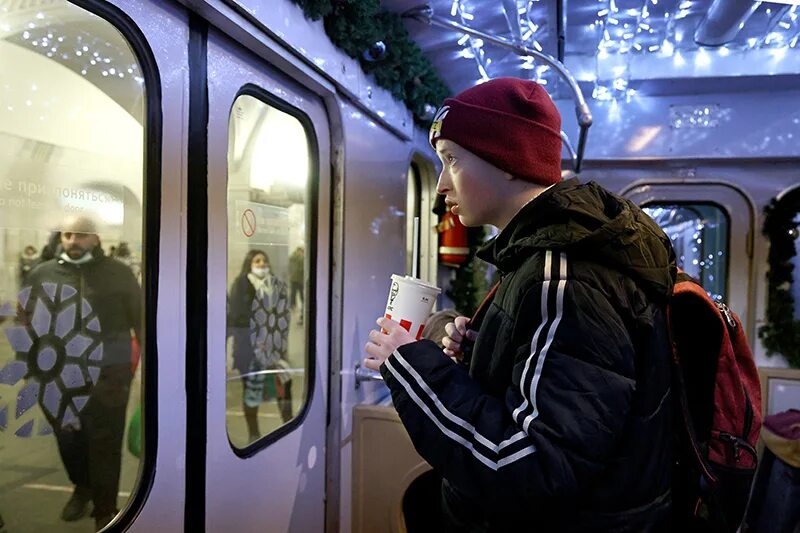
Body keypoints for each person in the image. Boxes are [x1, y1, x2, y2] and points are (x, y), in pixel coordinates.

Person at [364, 78, 677, 532]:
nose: (440, 186)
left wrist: (408, 365)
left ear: (507, 159)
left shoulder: (564, 276)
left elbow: (532, 464)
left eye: (452, 159)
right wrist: (481, 352)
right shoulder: (543, 257)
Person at [20, 215, 141, 531]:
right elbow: (27, 323)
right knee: (68, 440)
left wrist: (147, 370)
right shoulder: (41, 275)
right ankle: (82, 487)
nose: (74, 241)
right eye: (69, 235)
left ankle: (106, 508)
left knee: (105, 441)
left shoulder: (119, 274)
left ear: (97, 239)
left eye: (82, 235)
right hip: (57, 378)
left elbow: (141, 321)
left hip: (108, 376)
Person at [227, 250, 292, 441]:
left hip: (275, 351)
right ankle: (253, 434)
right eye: (257, 260)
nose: (262, 263)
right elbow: (238, 318)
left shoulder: (275, 285)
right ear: (250, 263)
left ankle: (289, 425)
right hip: (249, 351)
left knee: (284, 384)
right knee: (252, 393)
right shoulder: (241, 285)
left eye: (264, 260)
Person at [288, 246, 304, 324]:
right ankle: (295, 305)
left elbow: (290, 267)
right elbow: (301, 268)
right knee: (299, 294)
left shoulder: (292, 257)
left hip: (294, 278)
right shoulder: (300, 258)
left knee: (293, 293)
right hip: (299, 279)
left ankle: (293, 305)